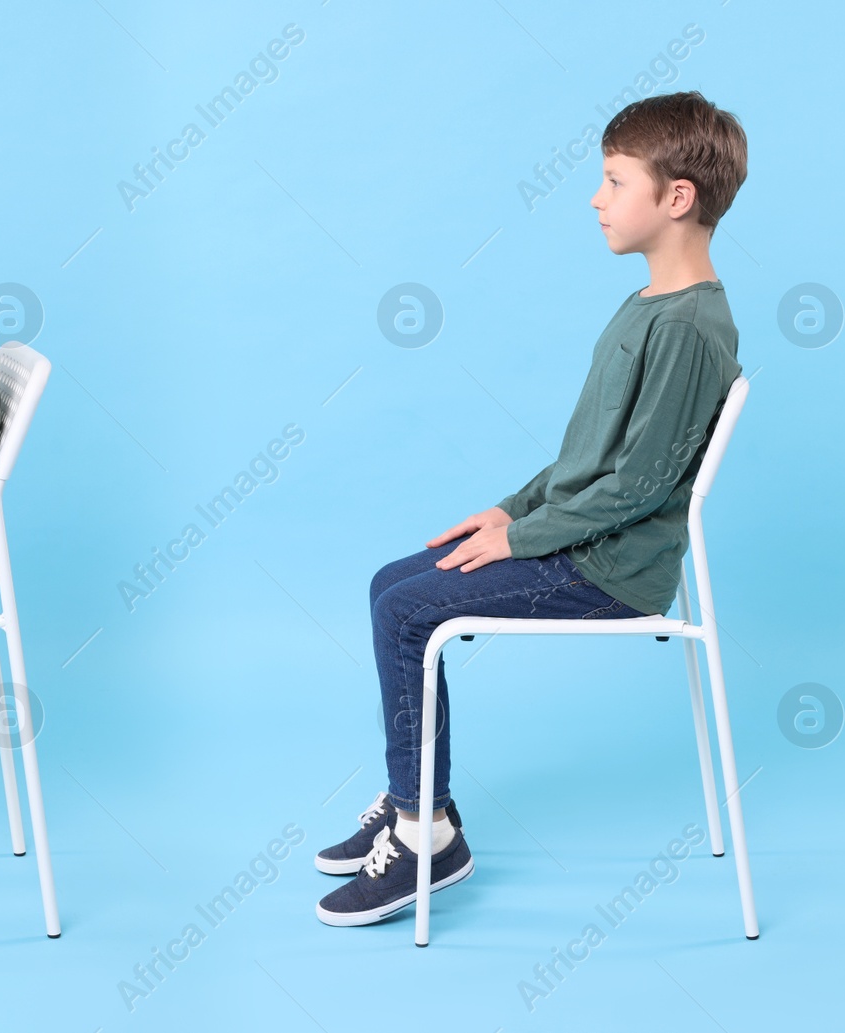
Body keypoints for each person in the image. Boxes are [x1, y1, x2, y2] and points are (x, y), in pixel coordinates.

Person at [315, 91, 748, 927]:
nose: (596, 197)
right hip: (578, 537)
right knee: (387, 584)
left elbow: (641, 488)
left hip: (611, 569)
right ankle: (420, 802)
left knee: (410, 610)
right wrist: (507, 512)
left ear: (677, 198)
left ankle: (425, 835)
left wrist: (527, 535)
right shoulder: (648, 305)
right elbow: (589, 459)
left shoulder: (691, 329)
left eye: (616, 181)